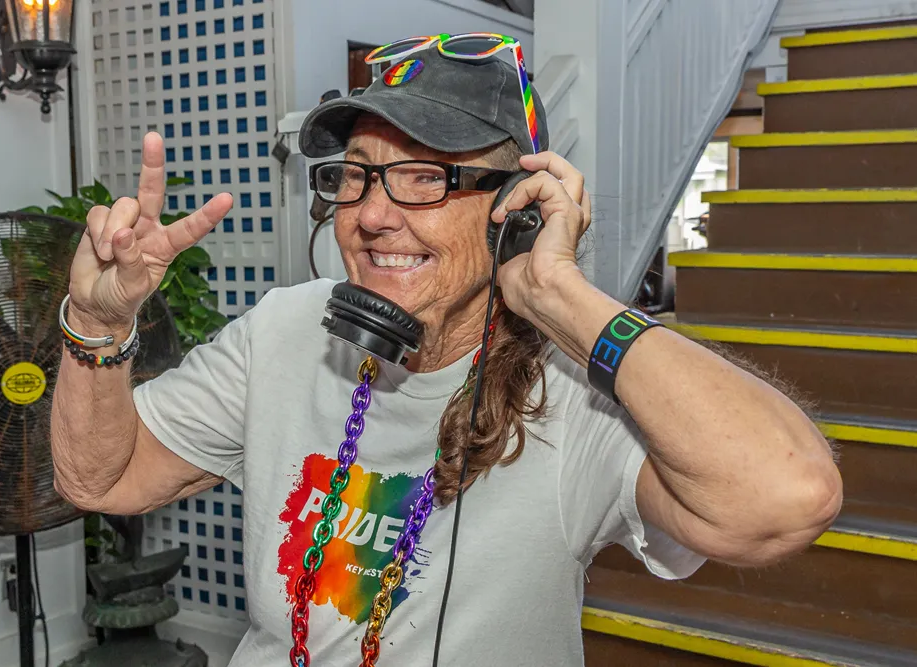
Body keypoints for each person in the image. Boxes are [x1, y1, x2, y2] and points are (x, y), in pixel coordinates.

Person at [50, 40, 842, 667]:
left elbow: (788, 496)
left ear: (515, 209)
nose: (370, 214)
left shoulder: (578, 396)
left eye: (423, 177)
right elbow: (99, 477)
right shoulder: (284, 330)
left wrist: (559, 294)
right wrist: (96, 321)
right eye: (355, 176)